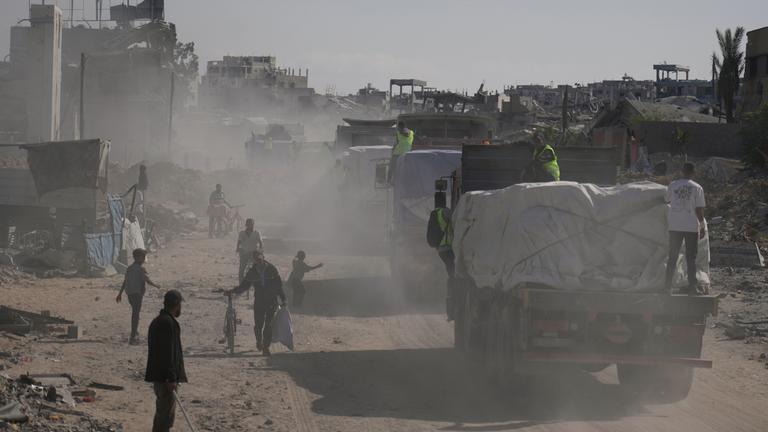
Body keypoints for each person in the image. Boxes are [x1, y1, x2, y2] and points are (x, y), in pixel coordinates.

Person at [229, 252, 286, 356]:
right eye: (257, 260)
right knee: (258, 325)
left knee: (268, 326)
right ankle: (259, 341)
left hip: (271, 301)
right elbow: (244, 286)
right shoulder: (252, 272)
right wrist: (233, 291)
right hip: (259, 301)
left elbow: (279, 285)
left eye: (260, 259)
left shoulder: (271, 269)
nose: (259, 261)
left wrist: (283, 299)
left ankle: (266, 347)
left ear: (263, 258)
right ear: (254, 261)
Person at [145, 290, 187, 432]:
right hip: (165, 379)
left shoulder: (160, 321)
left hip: (161, 377)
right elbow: (167, 353)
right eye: (180, 304)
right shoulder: (167, 323)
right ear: (176, 304)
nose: (181, 307)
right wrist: (170, 378)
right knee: (164, 418)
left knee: (164, 416)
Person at [664, 162, 706, 294]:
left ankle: (667, 288)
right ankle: (692, 288)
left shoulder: (673, 185)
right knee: (690, 258)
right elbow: (699, 210)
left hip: (675, 226)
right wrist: (702, 226)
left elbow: (666, 200)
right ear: (693, 173)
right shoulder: (697, 188)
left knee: (672, 257)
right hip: (690, 227)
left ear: (682, 172)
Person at [116, 248, 161, 345]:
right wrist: (156, 286)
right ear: (138, 257)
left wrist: (120, 294)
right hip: (137, 294)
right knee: (136, 314)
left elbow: (125, 281)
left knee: (135, 313)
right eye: (143, 257)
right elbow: (147, 280)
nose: (144, 259)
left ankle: (135, 331)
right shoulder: (141, 269)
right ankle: (133, 336)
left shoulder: (129, 268)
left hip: (130, 294)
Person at [236, 218, 263, 283]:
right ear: (246, 225)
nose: (250, 226)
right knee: (242, 269)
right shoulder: (242, 233)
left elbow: (260, 242)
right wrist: (237, 248)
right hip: (244, 253)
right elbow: (239, 242)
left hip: (254, 253)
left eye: (251, 224)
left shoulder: (256, 233)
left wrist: (261, 250)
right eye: (248, 224)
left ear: (253, 225)